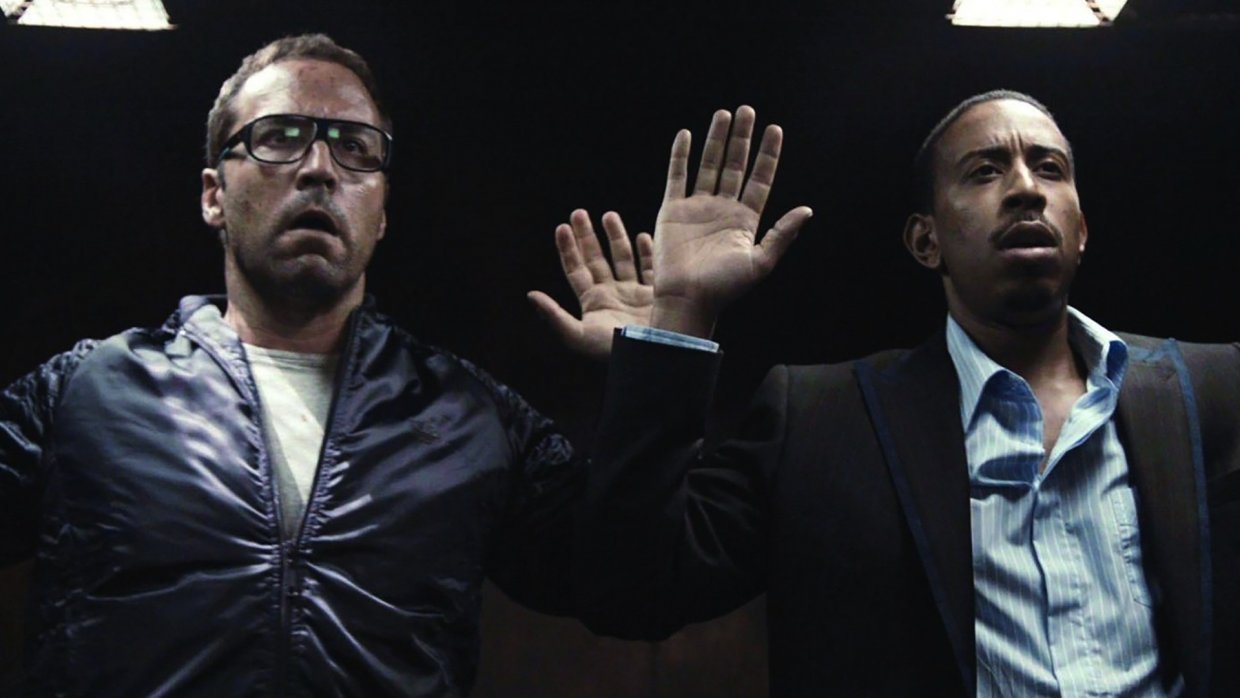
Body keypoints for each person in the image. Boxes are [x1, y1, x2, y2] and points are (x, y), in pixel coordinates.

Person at [0, 33, 648, 696]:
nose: (319, 168)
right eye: (279, 137)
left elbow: (634, 584)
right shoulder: (88, 393)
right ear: (213, 194)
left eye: (355, 147)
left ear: (382, 211)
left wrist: (662, 360)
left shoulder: (469, 418)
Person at [545, 95, 1240, 696]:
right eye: (985, 170)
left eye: (1050, 168)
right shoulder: (819, 419)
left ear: (1080, 231)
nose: (1027, 189)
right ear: (925, 241)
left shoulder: (1216, 392)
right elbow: (633, 592)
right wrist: (680, 315)